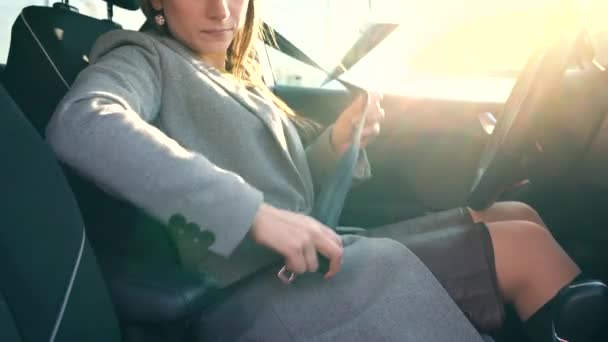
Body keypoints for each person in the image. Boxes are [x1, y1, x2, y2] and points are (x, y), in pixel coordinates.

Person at [45, 0, 607, 340]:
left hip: (314, 258)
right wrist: (251, 215)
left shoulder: (227, 72)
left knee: (518, 216)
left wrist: (335, 144)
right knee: (524, 253)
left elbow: (282, 187)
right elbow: (82, 124)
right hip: (253, 289)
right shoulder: (143, 59)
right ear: (156, 1)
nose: (221, 9)